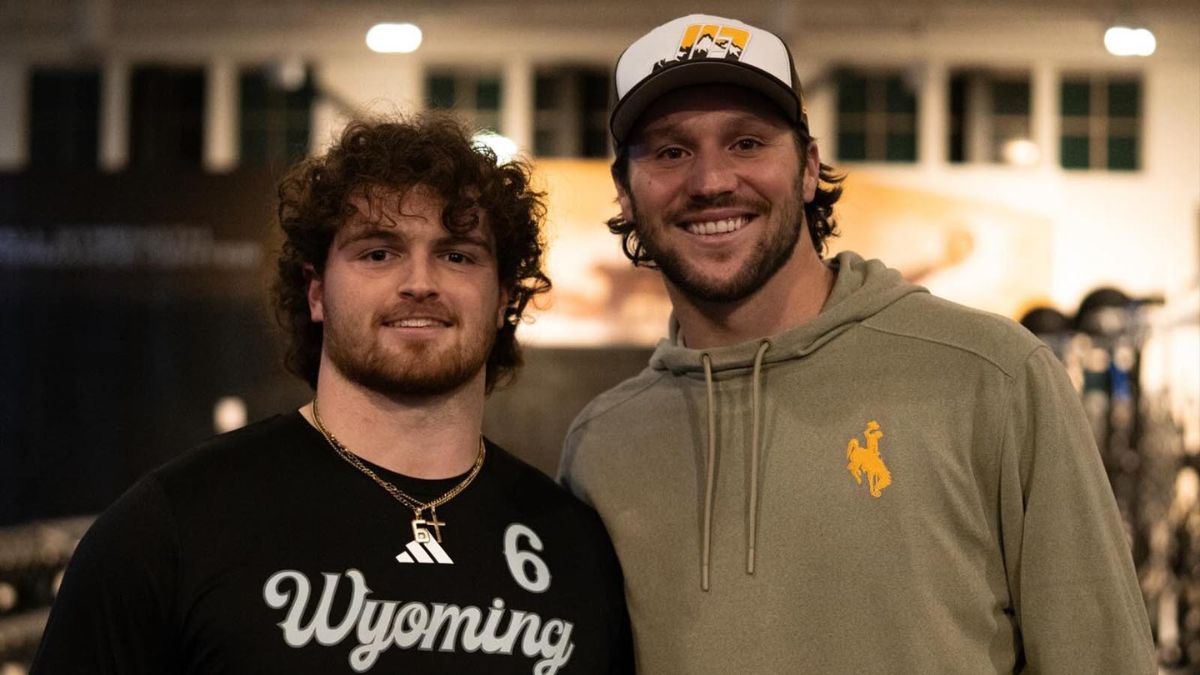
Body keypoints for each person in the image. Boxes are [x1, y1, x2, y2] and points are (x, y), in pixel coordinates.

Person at [558, 13, 1155, 674]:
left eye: (748, 142)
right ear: (624, 191)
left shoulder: (994, 376)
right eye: (671, 151)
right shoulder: (604, 446)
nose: (711, 181)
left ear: (809, 168)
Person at [33, 113, 633, 674]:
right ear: (316, 292)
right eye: (378, 252)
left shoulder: (573, 545)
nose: (420, 283)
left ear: (503, 296)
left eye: (456, 254)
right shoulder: (172, 528)